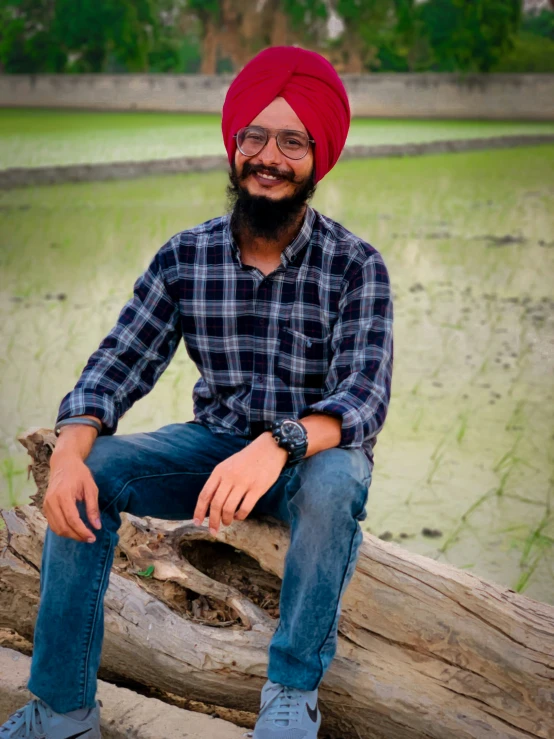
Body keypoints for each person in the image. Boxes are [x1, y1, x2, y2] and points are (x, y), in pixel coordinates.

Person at [1, 46, 393, 739]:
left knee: (335, 483)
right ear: (234, 144)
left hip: (314, 457)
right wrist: (68, 450)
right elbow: (118, 362)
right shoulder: (187, 255)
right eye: (255, 136)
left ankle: (289, 695)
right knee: (92, 470)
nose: (269, 156)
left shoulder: (356, 264)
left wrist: (279, 444)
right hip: (212, 450)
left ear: (318, 156)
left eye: (293, 141)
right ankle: (63, 712)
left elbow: (363, 397)